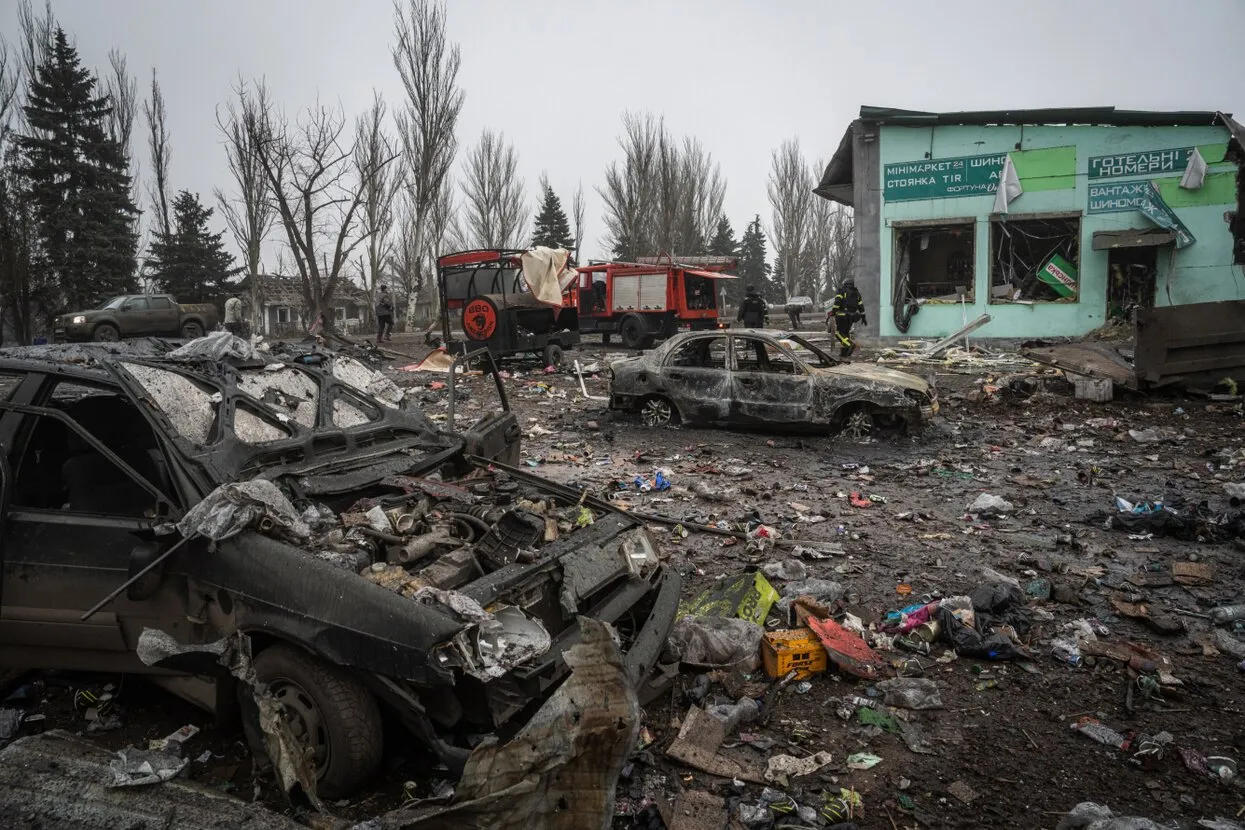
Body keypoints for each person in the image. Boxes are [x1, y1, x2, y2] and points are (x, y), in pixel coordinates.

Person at [829, 279, 866, 359]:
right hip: (852, 317)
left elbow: (837, 302)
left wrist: (833, 312)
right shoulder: (857, 293)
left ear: (845, 284)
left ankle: (849, 345)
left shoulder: (842, 291)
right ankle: (845, 353)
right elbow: (861, 306)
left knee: (838, 333)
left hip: (842, 316)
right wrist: (863, 317)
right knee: (845, 333)